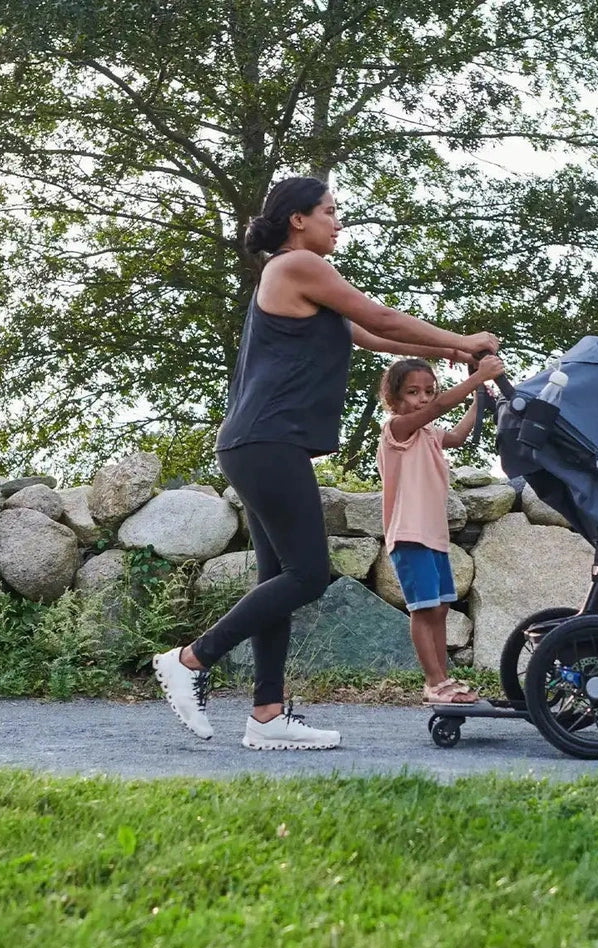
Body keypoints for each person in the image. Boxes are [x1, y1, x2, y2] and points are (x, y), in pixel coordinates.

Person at [152, 176, 500, 749]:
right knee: (308, 574)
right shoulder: (295, 267)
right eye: (329, 212)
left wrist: (461, 354)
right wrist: (465, 337)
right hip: (266, 441)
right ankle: (192, 659)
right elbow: (384, 318)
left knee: (277, 578)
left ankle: (266, 716)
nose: (337, 223)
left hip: (261, 442)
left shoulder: (307, 284)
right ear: (298, 220)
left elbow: (372, 337)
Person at [376, 354, 505, 704]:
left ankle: (444, 680)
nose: (423, 399)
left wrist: (479, 398)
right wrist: (477, 379)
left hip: (433, 535)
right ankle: (434, 683)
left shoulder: (430, 434)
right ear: (394, 400)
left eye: (429, 391)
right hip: (409, 533)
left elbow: (460, 436)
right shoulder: (396, 431)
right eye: (413, 392)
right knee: (424, 608)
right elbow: (437, 410)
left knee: (440, 608)